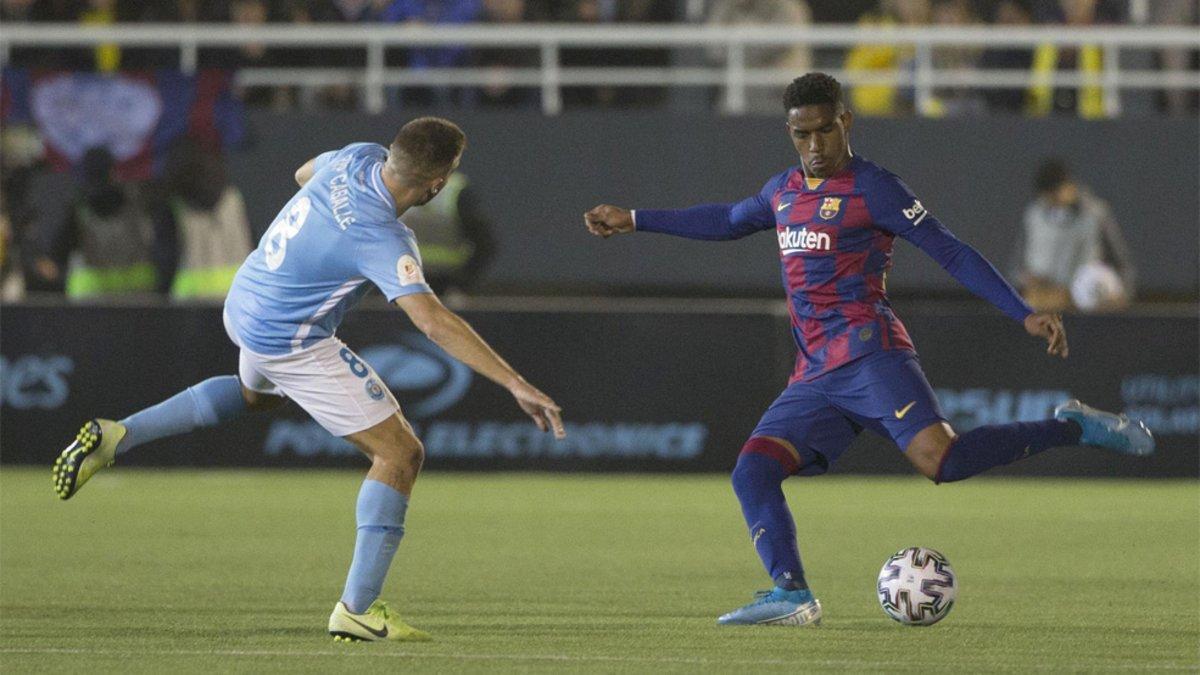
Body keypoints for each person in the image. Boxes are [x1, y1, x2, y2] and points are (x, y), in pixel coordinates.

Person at [583, 73, 1153, 627]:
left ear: (846, 122)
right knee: (753, 471)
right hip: (814, 374)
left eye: (824, 131)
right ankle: (791, 594)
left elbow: (950, 250)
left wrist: (1022, 311)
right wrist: (634, 219)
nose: (814, 145)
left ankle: (1072, 428)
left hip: (870, 354)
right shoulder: (782, 191)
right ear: (789, 133)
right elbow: (728, 220)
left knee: (944, 463)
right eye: (802, 134)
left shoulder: (874, 188)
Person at [52, 117, 566, 641]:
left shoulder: (358, 156)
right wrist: (514, 382)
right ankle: (357, 609)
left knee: (256, 397)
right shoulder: (384, 237)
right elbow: (432, 322)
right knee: (400, 453)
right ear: (436, 185)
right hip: (288, 336)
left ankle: (118, 435)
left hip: (248, 299)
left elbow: (304, 174)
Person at [1013, 158, 1135, 312]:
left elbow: (1121, 261)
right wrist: (1027, 281)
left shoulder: (1095, 214)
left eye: (1055, 195)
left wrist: (1123, 294)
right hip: (1043, 304)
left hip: (1083, 304)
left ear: (1068, 186)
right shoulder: (1034, 214)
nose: (1052, 202)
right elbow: (1017, 265)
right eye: (1047, 198)